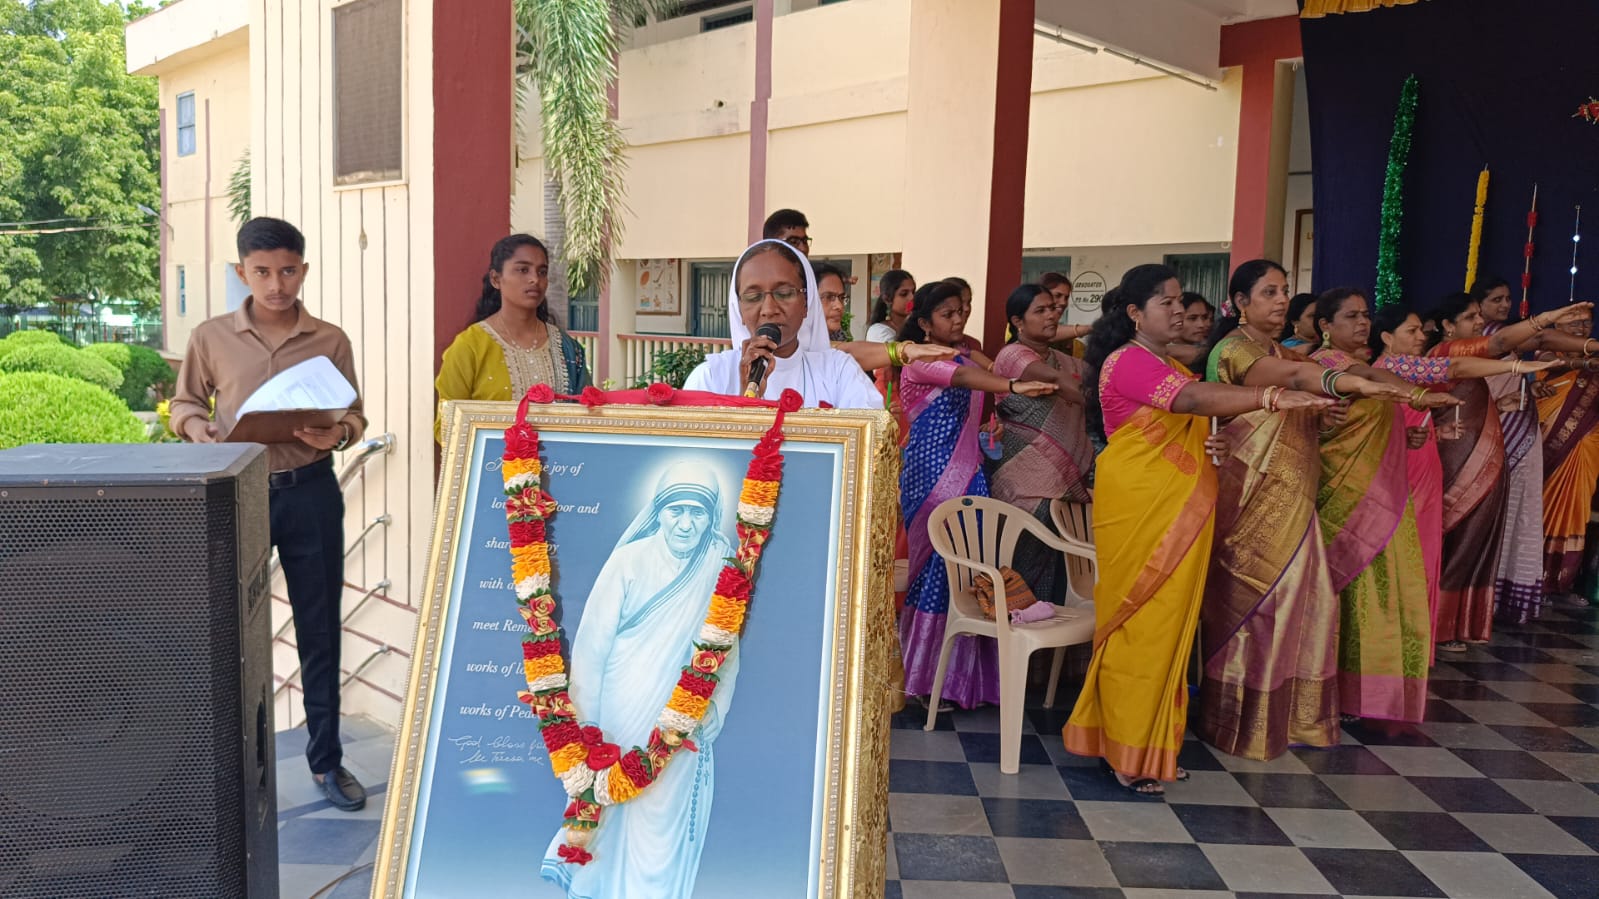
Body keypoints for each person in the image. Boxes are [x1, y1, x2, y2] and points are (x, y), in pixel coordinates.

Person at [1062, 264, 1331, 793]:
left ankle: (1153, 746)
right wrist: (1271, 397)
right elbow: (1189, 401)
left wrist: (1213, 441)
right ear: (1135, 313)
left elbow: (1188, 418)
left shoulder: (1166, 363)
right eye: (1166, 302)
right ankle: (1124, 751)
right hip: (1143, 508)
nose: (1179, 310)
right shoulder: (1127, 360)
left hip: (1180, 505)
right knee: (1141, 627)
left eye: (1180, 300)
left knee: (1172, 633)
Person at [170, 216, 368, 811]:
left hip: (310, 492)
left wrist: (339, 434)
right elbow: (184, 403)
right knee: (223, 629)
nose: (276, 284)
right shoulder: (211, 336)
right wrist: (196, 427)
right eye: (262, 272)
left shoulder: (330, 340)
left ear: (303, 270)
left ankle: (326, 762)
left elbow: (354, 415)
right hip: (238, 492)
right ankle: (215, 768)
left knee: (319, 629)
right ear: (242, 273)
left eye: (287, 271)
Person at [1197, 260, 1407, 760]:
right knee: (1262, 605)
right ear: (1241, 302)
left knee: (1311, 603)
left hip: (1294, 498)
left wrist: (1326, 413)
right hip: (1249, 499)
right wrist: (1347, 384)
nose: (1281, 299)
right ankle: (1238, 724)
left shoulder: (1280, 350)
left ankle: (1291, 717)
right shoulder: (1236, 350)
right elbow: (1290, 377)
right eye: (1268, 292)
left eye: (1285, 290)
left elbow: (1299, 401)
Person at [541, 463, 737, 898]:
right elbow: (592, 648)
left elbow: (728, 645)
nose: (685, 524)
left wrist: (714, 708)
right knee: (611, 818)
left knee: (662, 828)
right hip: (619, 716)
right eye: (675, 510)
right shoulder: (628, 561)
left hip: (682, 724)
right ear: (658, 511)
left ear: (712, 516)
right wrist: (586, 728)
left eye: (698, 512)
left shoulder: (720, 563)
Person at [897, 282, 1056, 710]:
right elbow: (964, 377)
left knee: (973, 567)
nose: (959, 318)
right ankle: (923, 679)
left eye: (963, 310)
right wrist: (1014, 386)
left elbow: (989, 365)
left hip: (971, 473)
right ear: (924, 322)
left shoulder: (965, 351)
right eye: (948, 313)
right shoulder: (918, 360)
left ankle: (965, 681)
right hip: (931, 478)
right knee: (938, 569)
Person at [1310, 289, 1462, 722]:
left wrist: (1403, 434)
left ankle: (1370, 694)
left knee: (1385, 592)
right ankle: (1336, 691)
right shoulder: (1323, 364)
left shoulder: (1367, 366)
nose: (1362, 323)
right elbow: (1325, 424)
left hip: (1382, 494)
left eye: (1365, 315)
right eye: (1350, 316)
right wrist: (1417, 397)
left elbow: (1372, 419)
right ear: (1325, 325)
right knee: (1353, 593)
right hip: (1344, 499)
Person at [1368, 306, 1549, 660]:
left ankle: (1414, 639)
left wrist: (1438, 430)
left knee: (1424, 554)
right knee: (1410, 557)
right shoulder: (1391, 367)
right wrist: (1513, 367)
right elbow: (1453, 368)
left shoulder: (1401, 368)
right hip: (1402, 476)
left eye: (1420, 330)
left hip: (1422, 468)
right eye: (1411, 331)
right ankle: (1397, 641)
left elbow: (1413, 416)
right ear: (1387, 337)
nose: (1421, 336)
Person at [1427, 293, 1594, 650]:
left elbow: (1528, 344)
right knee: (1456, 543)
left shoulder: (1471, 351)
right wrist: (1546, 322)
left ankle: (1456, 623)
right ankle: (1437, 626)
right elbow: (1513, 342)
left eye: (1478, 316)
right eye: (1470, 317)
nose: (1478, 323)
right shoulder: (1446, 353)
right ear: (1447, 326)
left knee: (1472, 544)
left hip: (1478, 456)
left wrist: (1501, 401)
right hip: (1459, 461)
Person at [683, 239, 882, 408]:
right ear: (739, 310)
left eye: (784, 293)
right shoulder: (710, 377)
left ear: (806, 304)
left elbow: (867, 434)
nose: (769, 309)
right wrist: (746, 400)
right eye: (753, 297)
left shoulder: (839, 372)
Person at [989, 284, 1091, 606]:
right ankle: (1013, 632)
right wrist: (1100, 398)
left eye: (1054, 308)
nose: (1052, 315)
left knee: (1059, 571)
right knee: (1021, 564)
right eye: (1041, 310)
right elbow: (1056, 382)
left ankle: (1047, 636)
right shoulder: (1012, 355)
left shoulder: (1066, 360)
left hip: (1063, 484)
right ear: (1018, 321)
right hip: (1022, 480)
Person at [434, 234, 593, 442]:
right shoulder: (469, 347)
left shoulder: (567, 348)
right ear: (496, 279)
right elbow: (447, 427)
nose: (535, 279)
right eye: (523, 270)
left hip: (563, 461)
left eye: (542, 272)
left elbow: (588, 417)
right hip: (494, 462)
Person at [1537, 307, 1599, 602]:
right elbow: (1551, 363)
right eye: (1573, 322)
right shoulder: (1546, 352)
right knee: (1538, 508)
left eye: (1586, 322)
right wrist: (1585, 362)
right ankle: (1529, 577)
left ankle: (1560, 581)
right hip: (1545, 449)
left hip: (1584, 447)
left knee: (1574, 508)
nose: (1580, 327)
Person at [866, 270, 915, 343]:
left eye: (913, 292)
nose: (912, 297)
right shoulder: (879, 331)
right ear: (887, 299)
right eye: (904, 294)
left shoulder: (917, 326)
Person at [1167, 292, 1213, 368]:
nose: (1201, 325)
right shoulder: (1158, 352)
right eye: (1192, 318)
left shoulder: (1206, 346)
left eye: (1204, 317)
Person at [815, 262, 851, 342]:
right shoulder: (792, 344)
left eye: (841, 297)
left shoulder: (838, 336)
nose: (839, 306)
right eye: (829, 297)